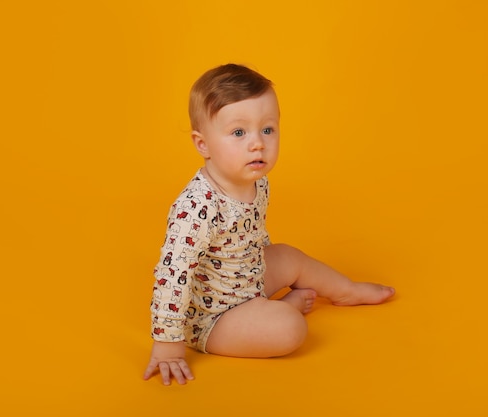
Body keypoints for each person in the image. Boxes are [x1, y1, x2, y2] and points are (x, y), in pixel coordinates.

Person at [143, 63, 395, 385]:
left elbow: (254, 234)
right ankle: (280, 309)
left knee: (289, 256)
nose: (257, 144)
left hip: (248, 274)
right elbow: (172, 275)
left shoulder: (257, 181)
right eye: (238, 132)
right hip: (212, 316)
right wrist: (167, 344)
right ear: (202, 144)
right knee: (290, 330)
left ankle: (346, 290)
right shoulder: (195, 208)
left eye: (267, 129)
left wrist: (270, 266)